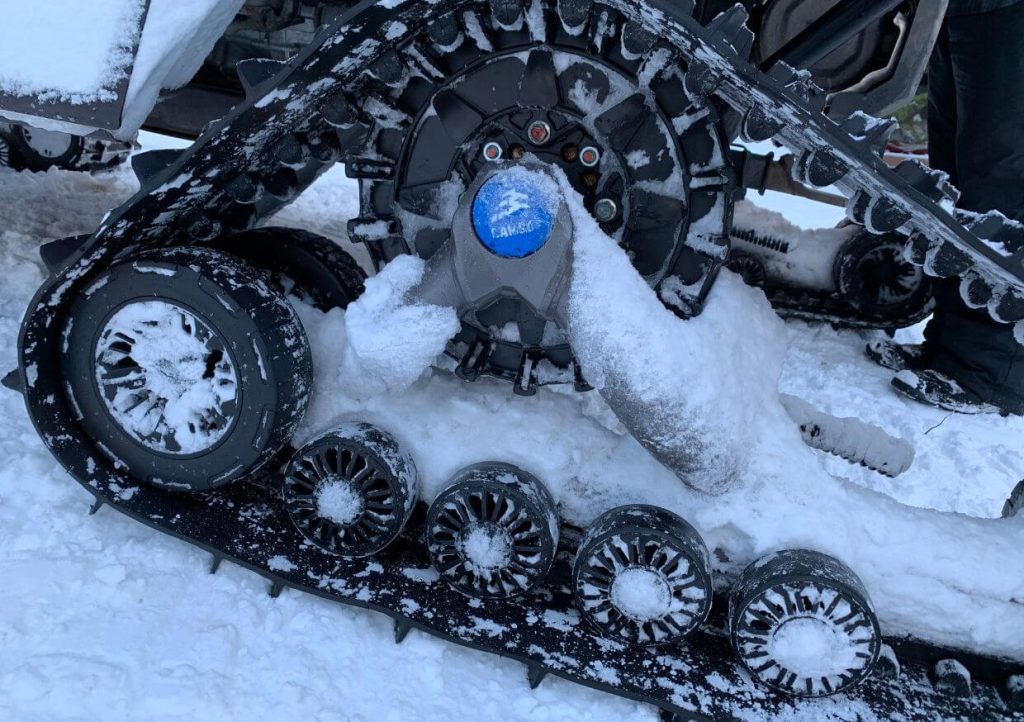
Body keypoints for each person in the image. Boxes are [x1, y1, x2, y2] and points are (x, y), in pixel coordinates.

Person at [867, 0, 1024, 417]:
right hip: (961, 10)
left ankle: (991, 372)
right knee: (955, 176)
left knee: (1001, 180)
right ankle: (951, 345)